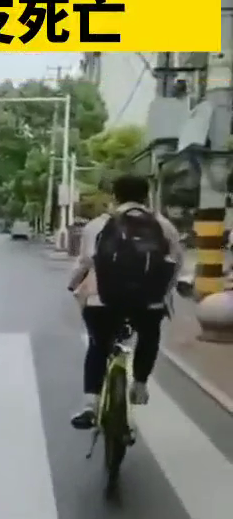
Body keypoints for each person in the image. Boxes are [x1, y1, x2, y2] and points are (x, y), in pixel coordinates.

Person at [68, 174, 183, 430]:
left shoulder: (98, 225)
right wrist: (163, 294)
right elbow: (176, 264)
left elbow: (85, 262)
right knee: (149, 335)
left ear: (115, 196)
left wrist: (73, 284)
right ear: (146, 196)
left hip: (103, 300)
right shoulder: (165, 227)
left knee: (98, 345)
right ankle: (139, 385)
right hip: (148, 302)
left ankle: (90, 404)